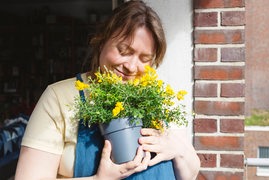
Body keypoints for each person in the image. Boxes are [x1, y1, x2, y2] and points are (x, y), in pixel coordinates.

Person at [15, 1, 200, 179]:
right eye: (124, 51)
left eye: (145, 59)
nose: (132, 66)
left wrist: (178, 149)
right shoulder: (59, 98)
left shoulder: (158, 99)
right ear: (101, 41)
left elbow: (190, 174)